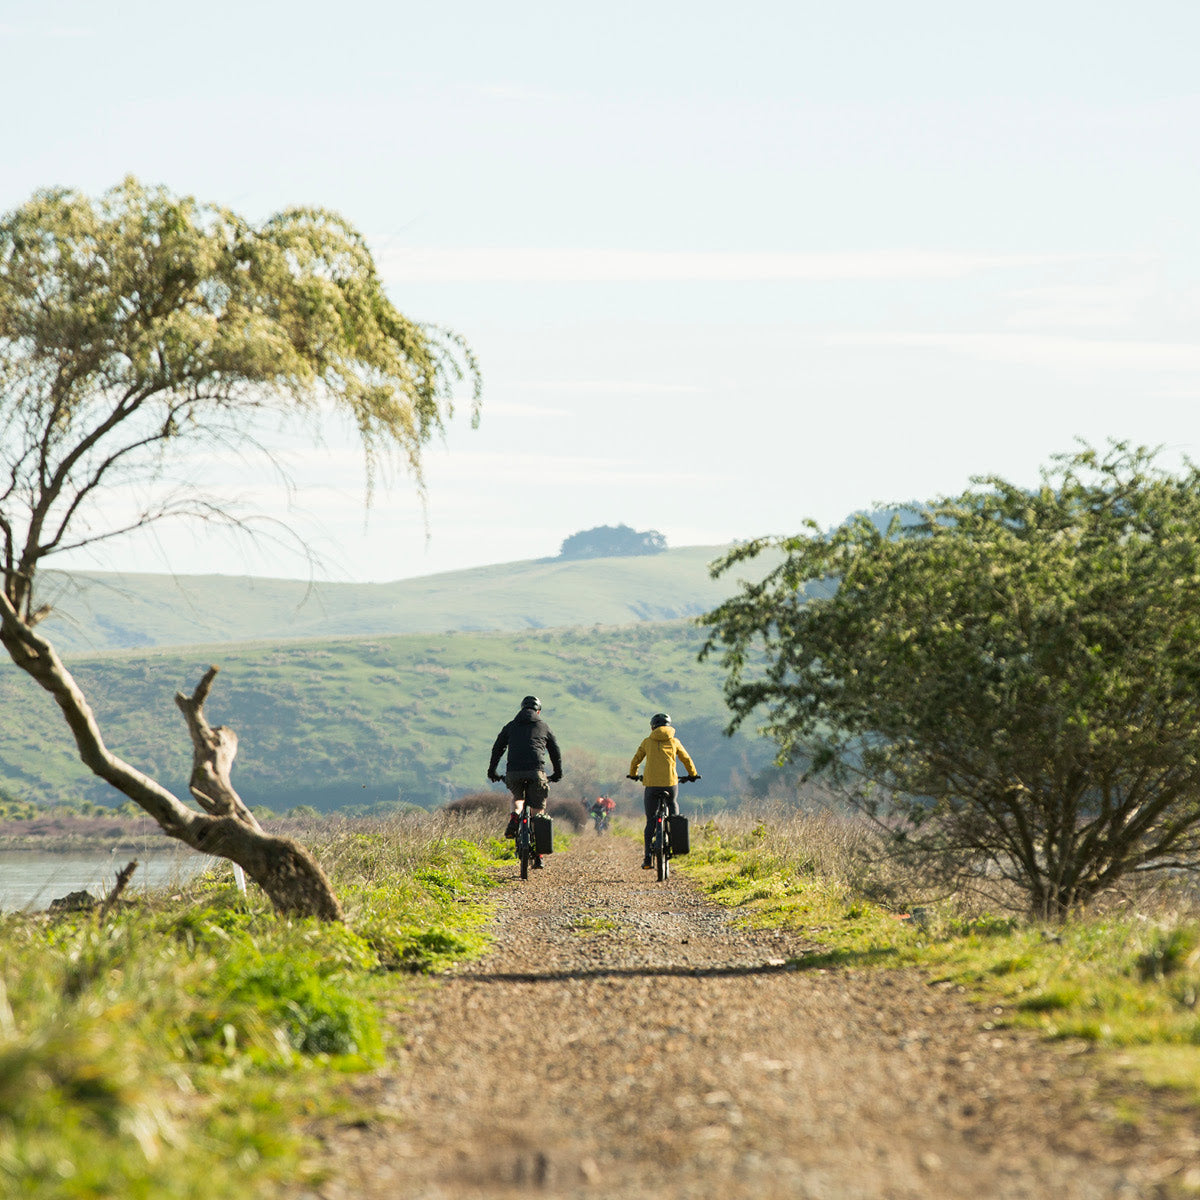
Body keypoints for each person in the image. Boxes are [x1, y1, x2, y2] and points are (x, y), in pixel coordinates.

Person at [488, 694, 563, 869]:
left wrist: (492, 770)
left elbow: (498, 748)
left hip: (513, 773)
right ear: (538, 711)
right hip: (537, 772)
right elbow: (555, 751)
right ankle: (539, 856)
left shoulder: (511, 726)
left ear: (522, 709)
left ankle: (515, 817)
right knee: (538, 811)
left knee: (517, 798)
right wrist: (557, 774)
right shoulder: (543, 726)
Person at [627, 712, 699, 870]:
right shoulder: (674, 741)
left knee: (651, 821)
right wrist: (692, 774)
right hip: (670, 784)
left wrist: (633, 774)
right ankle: (674, 842)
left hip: (651, 786)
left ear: (652, 727)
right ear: (669, 726)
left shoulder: (647, 742)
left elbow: (636, 760)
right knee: (673, 807)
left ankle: (647, 858)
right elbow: (686, 759)